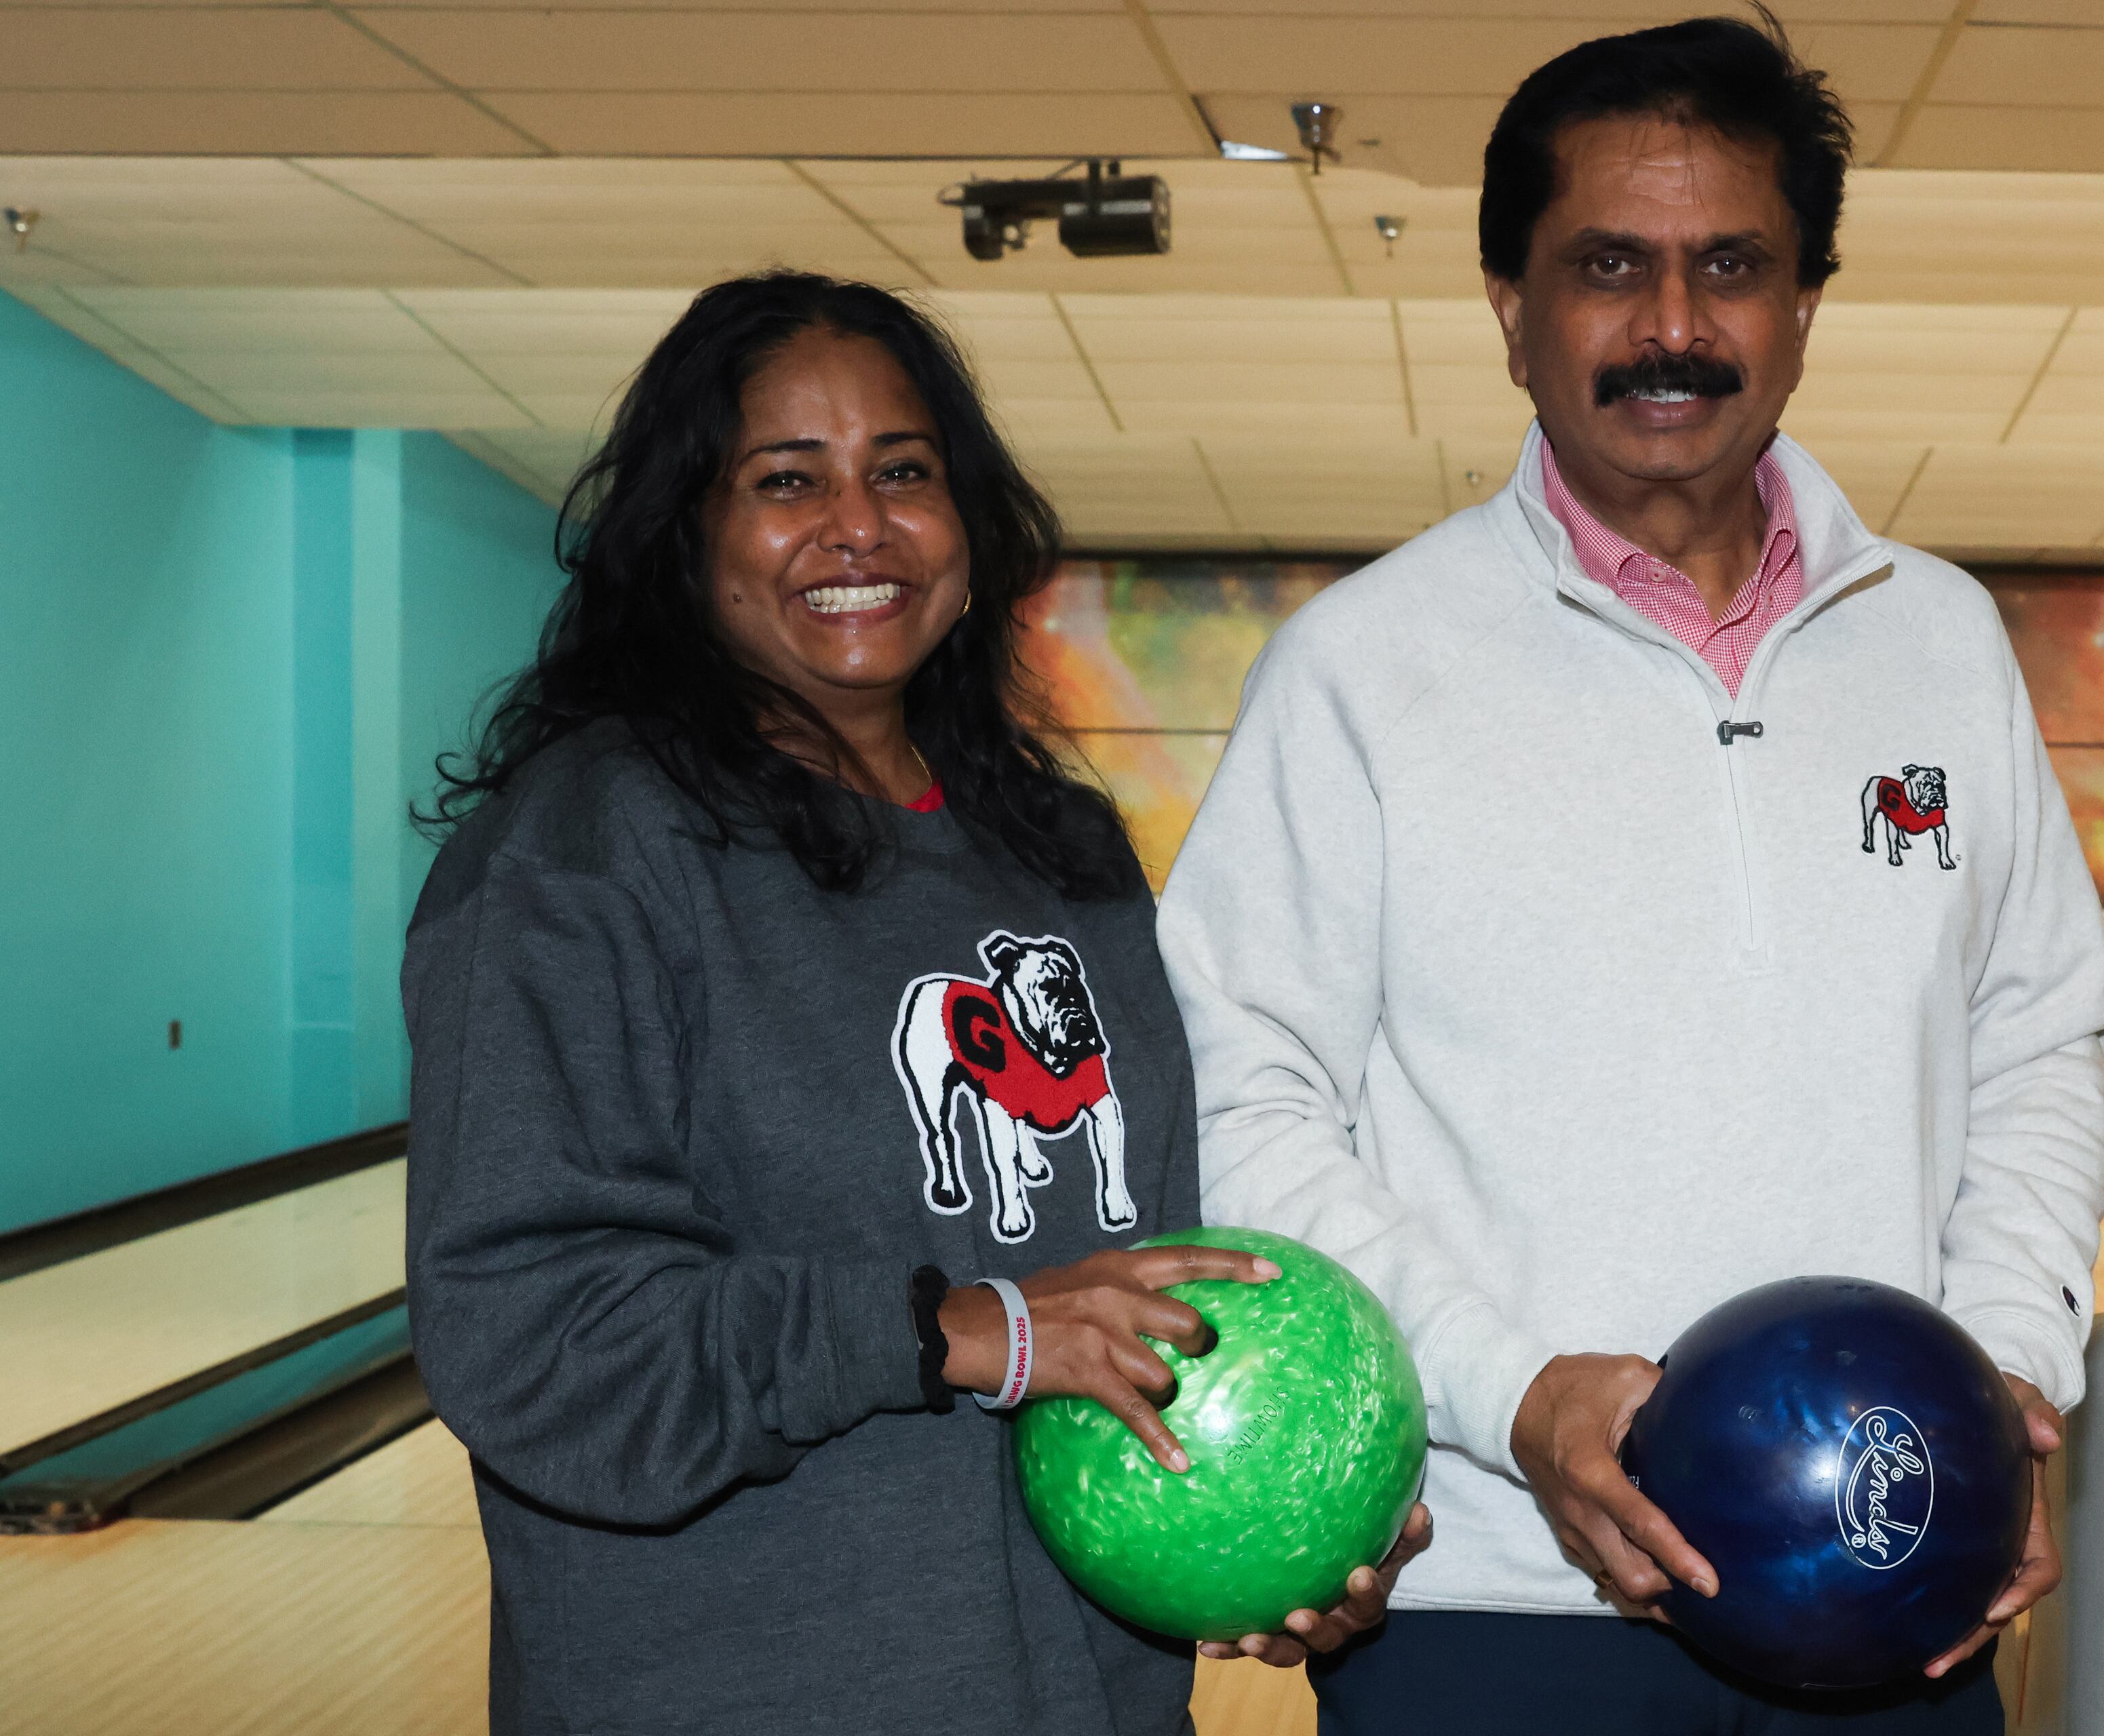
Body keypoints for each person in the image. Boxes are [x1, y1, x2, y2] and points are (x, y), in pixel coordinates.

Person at [1156, 16, 2104, 1734]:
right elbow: (1249, 1102)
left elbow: (2036, 1037)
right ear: (1510, 309)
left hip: (1890, 1586)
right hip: (1495, 1596)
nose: (1672, 326)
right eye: (1609, 267)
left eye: (1730, 267)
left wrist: (2002, 1369)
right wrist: (1512, 1390)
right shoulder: (1362, 667)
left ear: (1803, 308)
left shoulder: (1943, 646)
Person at [403, 271, 1424, 1736]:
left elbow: (1153, 1278)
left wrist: (1292, 1514)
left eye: (902, 471)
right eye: (784, 479)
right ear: (686, 529)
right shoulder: (583, 856)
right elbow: (534, 1337)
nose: (858, 525)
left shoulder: (1058, 853)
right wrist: (957, 1330)